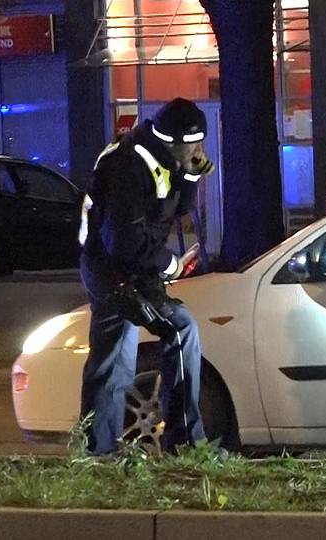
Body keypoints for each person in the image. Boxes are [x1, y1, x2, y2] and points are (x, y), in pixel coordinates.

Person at [78, 98, 214, 455]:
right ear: (175, 141)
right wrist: (168, 264)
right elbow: (124, 239)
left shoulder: (157, 157)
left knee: (113, 360)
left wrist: (191, 175)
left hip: (121, 269)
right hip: (117, 274)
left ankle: (98, 450)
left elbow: (176, 207)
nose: (199, 150)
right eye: (194, 145)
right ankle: (184, 442)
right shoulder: (127, 165)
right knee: (179, 331)